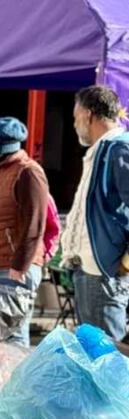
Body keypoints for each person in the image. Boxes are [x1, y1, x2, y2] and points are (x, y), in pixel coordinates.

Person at [0, 117, 50, 346]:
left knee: (13, 336)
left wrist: (18, 266)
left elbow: (35, 223)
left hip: (14, 269)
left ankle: (20, 382)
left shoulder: (28, 173)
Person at [59, 85, 129, 341]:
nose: (76, 125)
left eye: (77, 118)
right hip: (89, 272)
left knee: (107, 360)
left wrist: (125, 264)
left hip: (104, 274)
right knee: (93, 358)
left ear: (88, 115)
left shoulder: (118, 150)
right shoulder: (101, 152)